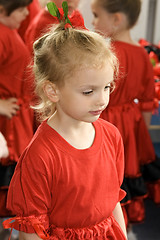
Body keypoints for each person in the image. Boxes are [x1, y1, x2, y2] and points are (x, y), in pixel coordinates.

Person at [3, 16, 128, 239]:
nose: (102, 100)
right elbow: (31, 233)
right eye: (89, 91)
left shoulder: (112, 135)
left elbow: (113, 202)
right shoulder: (40, 155)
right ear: (52, 91)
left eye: (107, 87)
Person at [91, 0, 160, 225]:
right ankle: (120, 225)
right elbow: (148, 100)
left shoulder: (103, 54)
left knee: (100, 173)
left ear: (116, 19)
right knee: (123, 172)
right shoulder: (142, 54)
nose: (93, 22)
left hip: (103, 119)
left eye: (96, 16)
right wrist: (139, 134)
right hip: (131, 124)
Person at [0, 0, 34, 217]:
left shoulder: (9, 31)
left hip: (17, 118)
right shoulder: (2, 35)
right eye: (21, 9)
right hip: (7, 124)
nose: (26, 13)